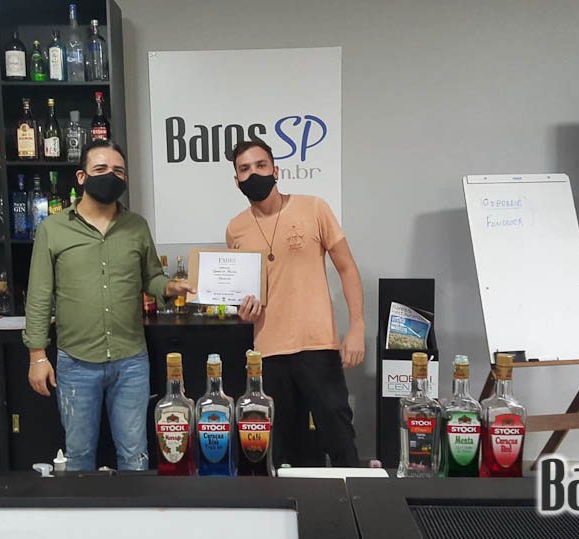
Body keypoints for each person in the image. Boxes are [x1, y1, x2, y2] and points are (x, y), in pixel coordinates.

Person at [24, 139, 194, 471]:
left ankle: (134, 508)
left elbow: (151, 278)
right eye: (101, 169)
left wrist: (172, 286)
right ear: (82, 177)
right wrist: (37, 357)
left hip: (130, 361)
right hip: (75, 361)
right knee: (78, 456)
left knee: (135, 455)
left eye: (118, 171)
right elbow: (39, 296)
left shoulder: (136, 226)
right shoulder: (52, 229)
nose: (110, 176)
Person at [225, 139, 364, 467]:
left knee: (340, 439)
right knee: (286, 452)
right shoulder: (235, 229)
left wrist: (357, 327)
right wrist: (244, 312)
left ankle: (354, 498)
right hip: (269, 353)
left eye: (261, 165)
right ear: (237, 180)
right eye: (245, 169)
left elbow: (347, 267)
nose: (253, 174)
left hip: (318, 345)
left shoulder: (314, 208)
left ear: (276, 170)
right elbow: (244, 294)